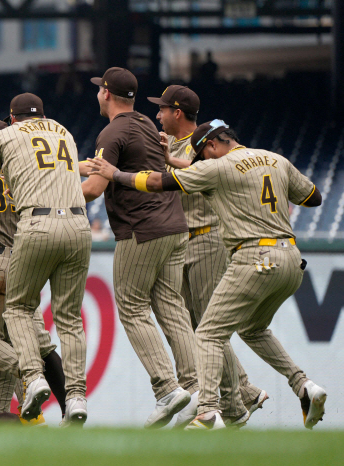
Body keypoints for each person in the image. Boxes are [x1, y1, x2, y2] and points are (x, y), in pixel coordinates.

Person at [85, 119, 327, 430]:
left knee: (208, 333)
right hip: (292, 260)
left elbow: (159, 183)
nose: (202, 161)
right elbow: (314, 198)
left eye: (202, 154)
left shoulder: (219, 166)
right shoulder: (275, 159)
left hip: (254, 256)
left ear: (212, 145)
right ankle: (303, 385)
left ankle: (209, 411)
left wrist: (115, 174)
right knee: (253, 329)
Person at [0, 93, 91, 426]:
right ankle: (76, 397)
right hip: (79, 224)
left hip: (33, 228)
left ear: (13, 117)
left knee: (16, 309)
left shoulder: (5, 138)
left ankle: (32, 377)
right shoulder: (64, 132)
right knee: (69, 319)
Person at [79, 68, 199, 428]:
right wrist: (71, 167)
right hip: (174, 226)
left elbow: (94, 189)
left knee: (132, 308)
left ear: (106, 94)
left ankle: (167, 388)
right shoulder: (147, 123)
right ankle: (197, 391)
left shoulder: (112, 130)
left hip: (140, 230)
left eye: (99, 89)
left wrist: (48, 189)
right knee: (171, 307)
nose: (97, 94)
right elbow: (110, 164)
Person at [149, 85, 267, 426]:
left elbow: (206, 171)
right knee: (192, 325)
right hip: (182, 242)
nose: (158, 115)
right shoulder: (169, 144)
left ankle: (238, 398)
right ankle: (244, 392)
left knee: (207, 327)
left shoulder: (205, 143)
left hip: (207, 239)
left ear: (178, 112)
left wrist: (167, 161)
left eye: (162, 109)